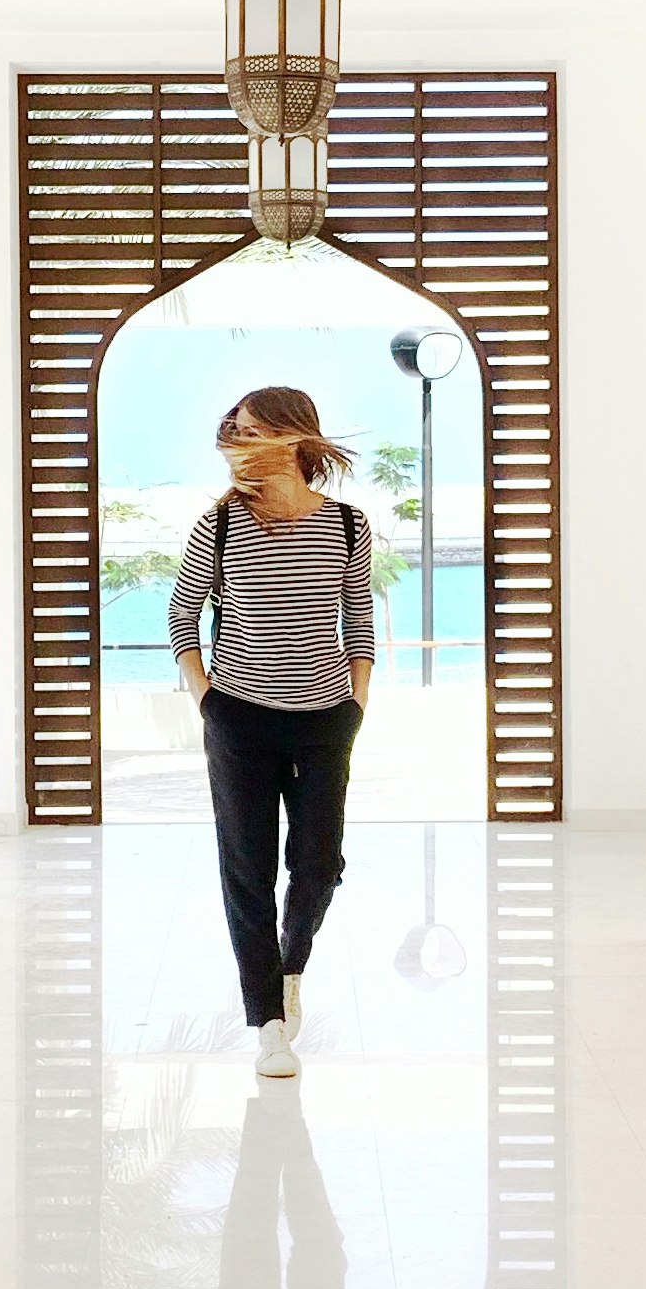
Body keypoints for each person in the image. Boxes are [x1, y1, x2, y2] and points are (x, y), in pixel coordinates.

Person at [168, 386, 375, 1077]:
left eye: (256, 429)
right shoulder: (219, 526)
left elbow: (358, 620)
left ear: (294, 437)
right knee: (247, 871)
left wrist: (357, 699)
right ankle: (269, 1022)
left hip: (325, 720)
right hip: (239, 720)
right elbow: (180, 615)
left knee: (318, 866)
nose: (242, 439)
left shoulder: (347, 525)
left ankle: (290, 969)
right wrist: (207, 699)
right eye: (238, 428)